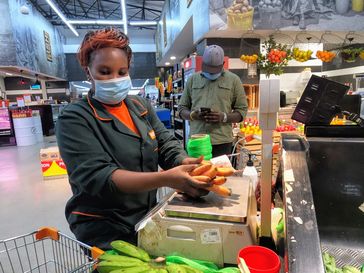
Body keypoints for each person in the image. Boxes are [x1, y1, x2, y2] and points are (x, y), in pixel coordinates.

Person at [56, 28, 211, 249]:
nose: (114, 79)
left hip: (145, 216)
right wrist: (167, 178)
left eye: (122, 72)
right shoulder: (74, 118)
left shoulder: (139, 106)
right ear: (88, 71)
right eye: (104, 71)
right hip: (104, 227)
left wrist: (183, 162)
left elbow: (166, 143)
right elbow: (99, 177)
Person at [178, 45, 248, 157]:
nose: (211, 74)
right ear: (202, 64)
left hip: (222, 142)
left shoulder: (234, 80)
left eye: (214, 70)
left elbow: (242, 112)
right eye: (208, 69)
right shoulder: (192, 80)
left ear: (222, 65)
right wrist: (193, 115)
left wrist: (224, 117)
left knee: (220, 173)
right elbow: (181, 109)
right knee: (197, 173)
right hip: (197, 141)